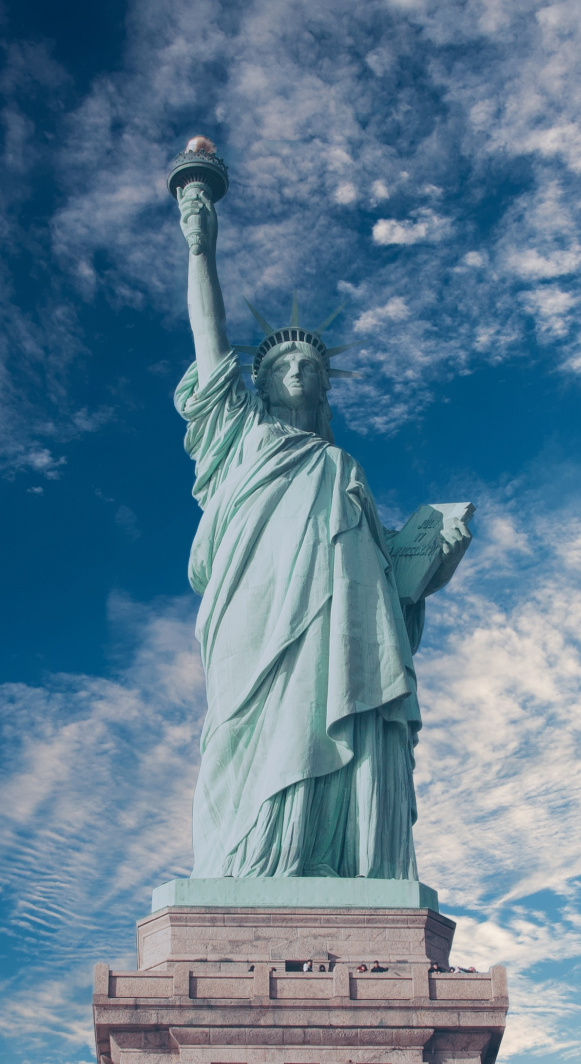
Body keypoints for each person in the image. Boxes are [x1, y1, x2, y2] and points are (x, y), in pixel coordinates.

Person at [175, 180, 471, 881]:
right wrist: (201, 248)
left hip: (340, 632)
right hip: (256, 614)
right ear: (265, 383)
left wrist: (428, 565)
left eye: (312, 364)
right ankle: (250, 865)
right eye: (285, 365)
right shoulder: (240, 435)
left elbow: (385, 590)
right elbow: (210, 342)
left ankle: (337, 860)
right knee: (247, 731)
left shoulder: (343, 466)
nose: (303, 369)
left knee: (343, 715)